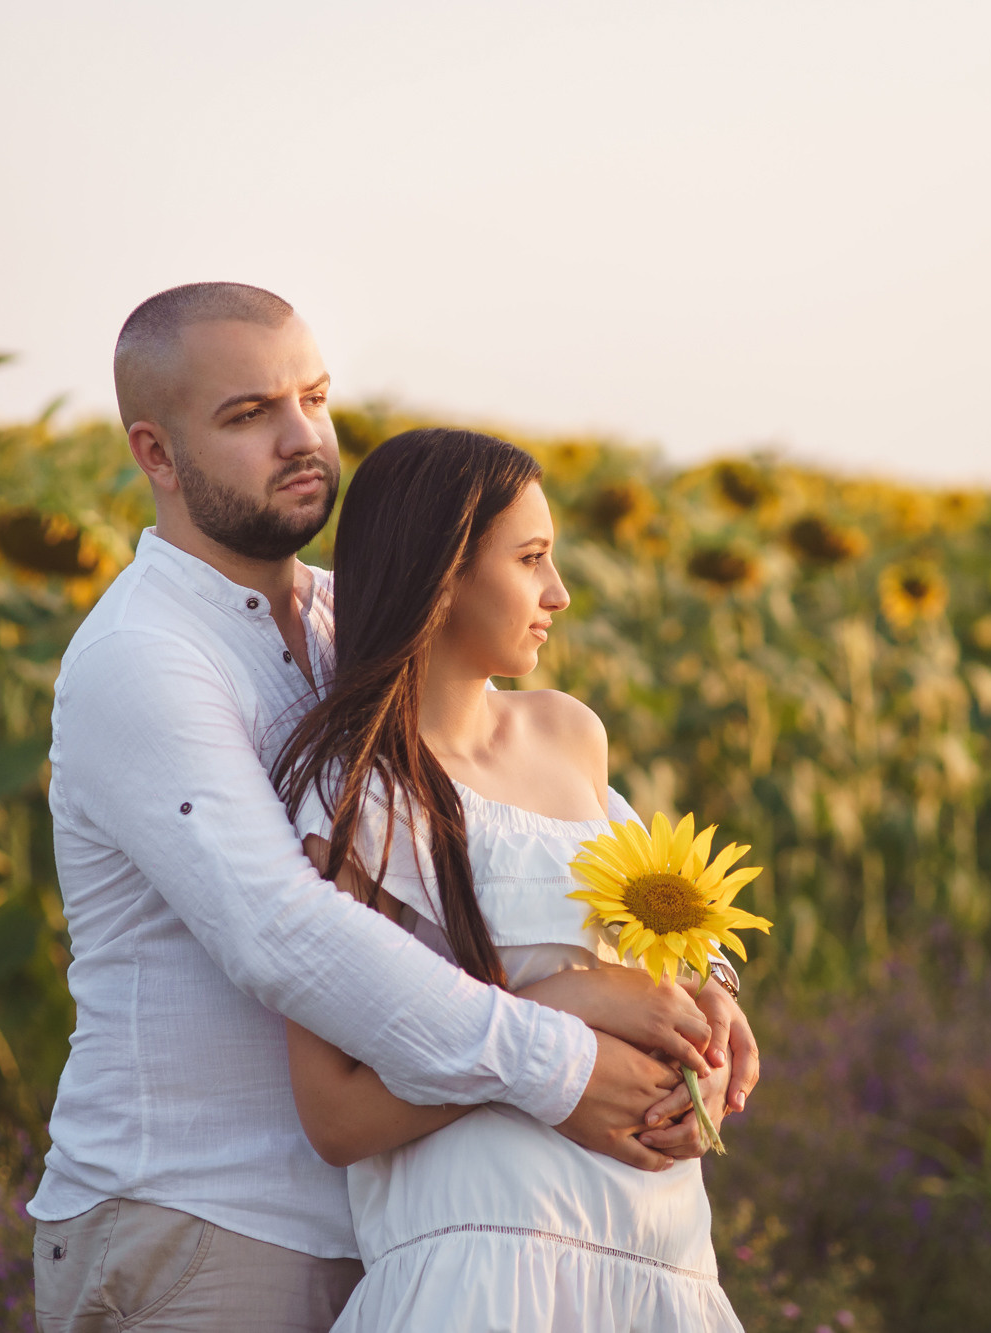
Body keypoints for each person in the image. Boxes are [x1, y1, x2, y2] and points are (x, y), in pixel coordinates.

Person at [28, 283, 759, 1332]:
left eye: (313, 399)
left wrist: (702, 986)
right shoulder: (144, 659)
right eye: (247, 415)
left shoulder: (349, 626)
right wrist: (560, 1047)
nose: (301, 439)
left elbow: (578, 832)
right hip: (204, 1218)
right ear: (155, 453)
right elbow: (279, 931)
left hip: (397, 1220)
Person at [274, 428, 744, 1331]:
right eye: (531, 559)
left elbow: (658, 934)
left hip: (663, 1252)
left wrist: (713, 1007)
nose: (558, 594)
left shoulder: (571, 734)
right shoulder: (359, 794)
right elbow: (334, 1112)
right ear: (440, 571)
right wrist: (561, 1009)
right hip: (481, 1262)